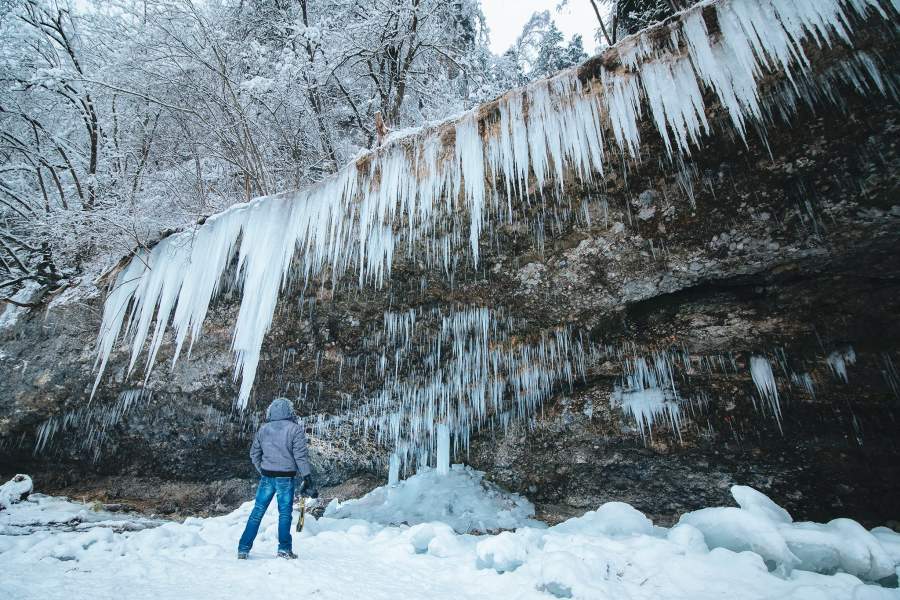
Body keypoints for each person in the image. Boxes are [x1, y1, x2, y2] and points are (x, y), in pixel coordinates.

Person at [237, 397, 318, 559]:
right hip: (285, 479)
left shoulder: (264, 429)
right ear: (289, 411)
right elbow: (300, 457)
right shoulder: (295, 429)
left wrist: (263, 470)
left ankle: (243, 549)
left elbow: (254, 454)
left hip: (267, 477)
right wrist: (307, 477)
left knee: (257, 512)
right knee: (285, 514)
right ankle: (284, 549)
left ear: (271, 411)